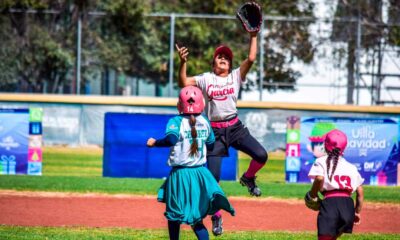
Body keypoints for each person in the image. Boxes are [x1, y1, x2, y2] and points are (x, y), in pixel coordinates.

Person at [176, 31, 268, 235]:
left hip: (235, 128)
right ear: (213, 63)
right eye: (220, 57)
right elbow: (183, 83)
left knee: (261, 155)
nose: (224, 59)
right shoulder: (206, 79)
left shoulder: (236, 76)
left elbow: (251, 58)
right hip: (215, 133)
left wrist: (253, 35)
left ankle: (248, 178)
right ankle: (216, 216)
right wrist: (183, 62)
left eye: (227, 57)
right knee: (214, 179)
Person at [147, 86, 235, 240]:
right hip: (200, 173)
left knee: (174, 215)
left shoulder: (176, 121)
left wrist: (155, 143)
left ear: (180, 104)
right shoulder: (205, 121)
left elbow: (171, 139)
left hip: (181, 174)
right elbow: (211, 145)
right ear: (201, 103)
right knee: (196, 217)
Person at [306, 129, 364, 240]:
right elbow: (360, 192)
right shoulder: (351, 167)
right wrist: (356, 212)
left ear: (325, 145)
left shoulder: (321, 161)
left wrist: (313, 195)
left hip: (330, 203)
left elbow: (319, 179)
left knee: (325, 237)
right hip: (348, 206)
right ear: (344, 147)